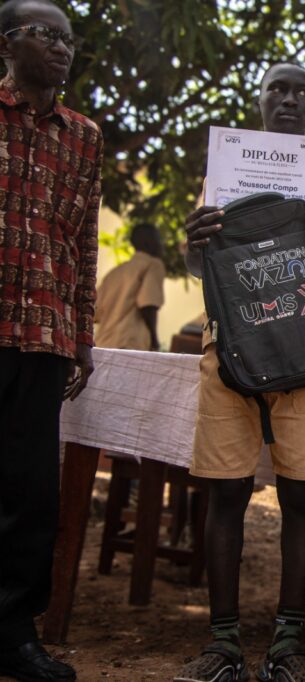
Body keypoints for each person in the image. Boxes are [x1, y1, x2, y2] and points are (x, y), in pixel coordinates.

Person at [176, 62, 305, 682]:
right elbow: (196, 263)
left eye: (302, 91)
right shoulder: (225, 171)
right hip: (230, 354)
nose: (289, 100)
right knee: (227, 492)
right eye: (277, 90)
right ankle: (224, 643)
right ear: (259, 101)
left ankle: (287, 645)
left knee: (300, 499)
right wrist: (193, 238)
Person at [0, 0, 101, 679]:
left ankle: (12, 633)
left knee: (30, 493)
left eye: (68, 38)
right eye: (46, 35)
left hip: (43, 338)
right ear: (9, 43)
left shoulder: (84, 136)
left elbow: (84, 243)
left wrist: (83, 338)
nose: (62, 48)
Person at [94, 223, 166, 351]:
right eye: (158, 240)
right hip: (129, 344)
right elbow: (148, 304)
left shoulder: (114, 273)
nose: (161, 245)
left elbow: (95, 312)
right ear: (149, 243)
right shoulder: (153, 265)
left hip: (103, 344)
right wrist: (155, 341)